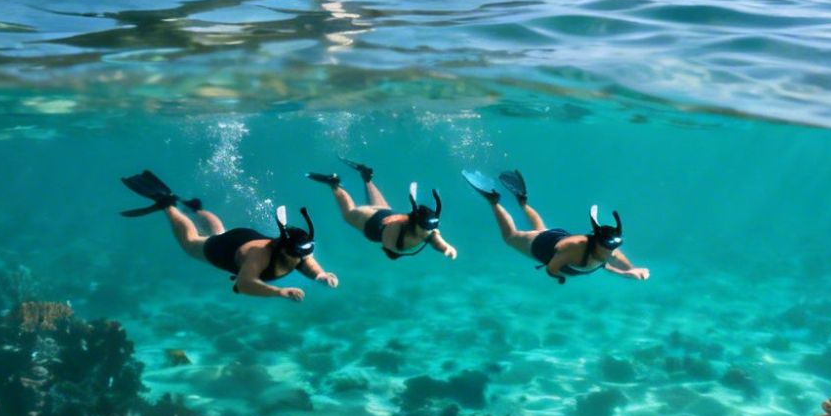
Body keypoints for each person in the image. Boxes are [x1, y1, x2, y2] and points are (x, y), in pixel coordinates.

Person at [119, 170, 336, 301]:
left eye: (307, 250)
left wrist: (321, 276)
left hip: (244, 237)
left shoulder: (298, 247)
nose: (304, 256)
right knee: (192, 243)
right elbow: (245, 284)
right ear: (283, 247)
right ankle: (168, 205)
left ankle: (196, 209)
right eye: (301, 252)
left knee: (219, 231)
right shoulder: (260, 257)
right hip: (226, 249)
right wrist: (280, 293)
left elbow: (307, 262)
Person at [462, 169, 649, 284]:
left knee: (542, 228)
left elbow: (610, 264)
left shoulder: (608, 250)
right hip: (542, 245)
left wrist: (630, 270)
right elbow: (551, 269)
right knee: (510, 237)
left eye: (613, 247)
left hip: (557, 236)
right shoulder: (573, 250)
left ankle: (522, 201)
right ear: (597, 243)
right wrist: (560, 277)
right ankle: (493, 200)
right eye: (608, 247)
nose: (611, 252)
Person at [307, 159, 457, 261]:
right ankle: (334, 184)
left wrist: (446, 248)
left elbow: (437, 240)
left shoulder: (427, 230)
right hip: (371, 221)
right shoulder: (395, 230)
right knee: (349, 214)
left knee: (382, 206)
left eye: (430, 228)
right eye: (425, 227)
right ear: (415, 223)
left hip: (386, 213)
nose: (427, 232)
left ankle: (366, 178)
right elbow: (388, 246)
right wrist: (393, 252)